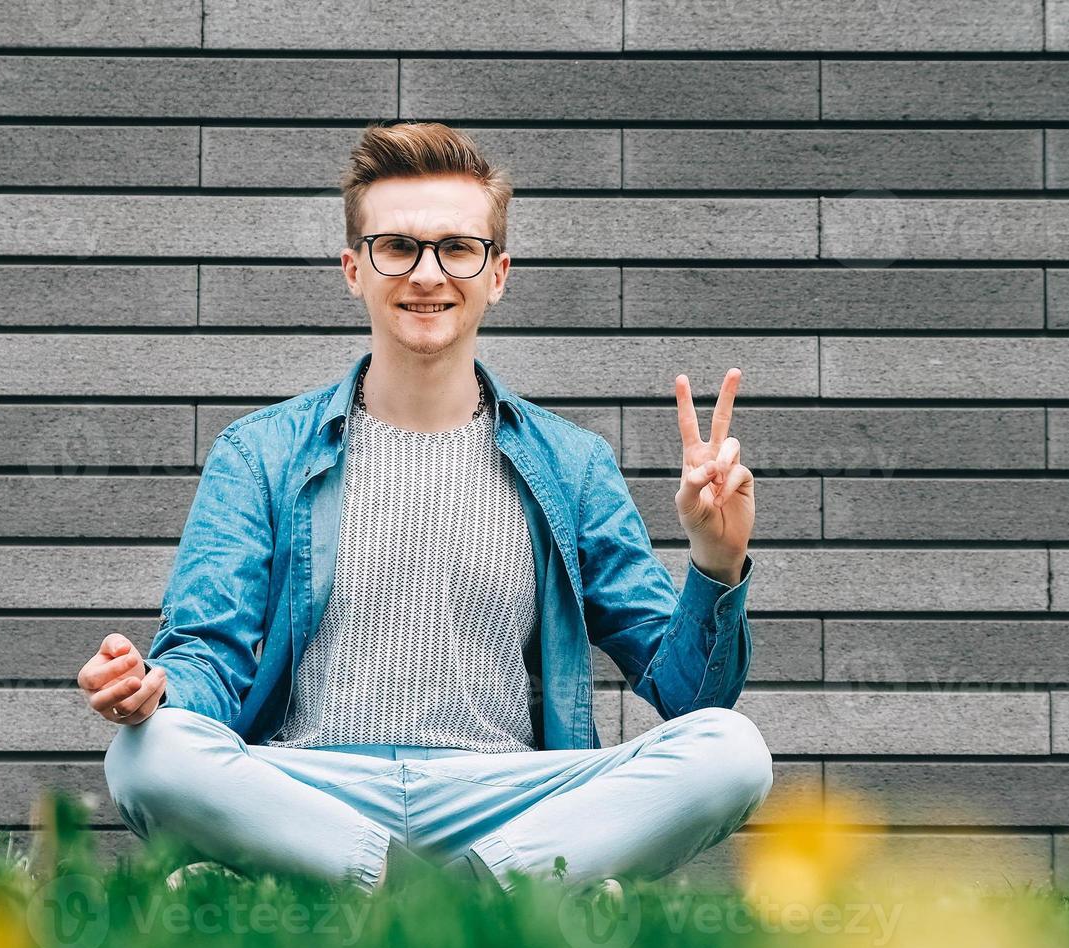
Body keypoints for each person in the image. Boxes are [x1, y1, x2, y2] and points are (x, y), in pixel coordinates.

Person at [78, 120, 772, 899]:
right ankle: (491, 889)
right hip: (313, 785)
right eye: (397, 246)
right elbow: (211, 652)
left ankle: (376, 887)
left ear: (498, 272)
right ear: (353, 268)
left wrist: (716, 562)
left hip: (504, 796)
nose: (427, 273)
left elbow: (688, 698)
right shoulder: (260, 453)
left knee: (732, 749)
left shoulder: (571, 465)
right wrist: (157, 689)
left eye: (457, 247)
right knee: (147, 753)